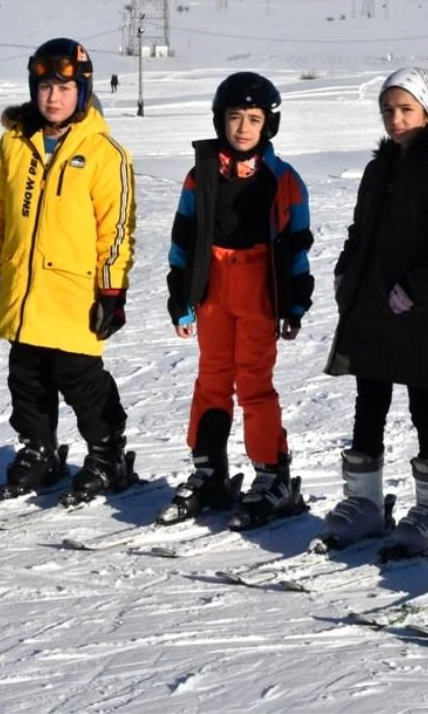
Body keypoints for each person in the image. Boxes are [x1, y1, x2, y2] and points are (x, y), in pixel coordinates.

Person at [0, 37, 137, 505]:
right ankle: (39, 449)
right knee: (25, 379)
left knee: (81, 380)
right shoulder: (15, 144)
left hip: (72, 295)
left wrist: (111, 291)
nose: (53, 97)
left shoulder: (104, 153)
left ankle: (107, 455)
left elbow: (116, 231)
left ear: (82, 91)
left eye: (64, 88)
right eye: (44, 87)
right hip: (23, 292)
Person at [322, 67, 428, 557]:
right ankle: (365, 503)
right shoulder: (379, 168)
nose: (396, 119)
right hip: (371, 304)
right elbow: (359, 229)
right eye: (388, 110)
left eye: (406, 109)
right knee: (368, 403)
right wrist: (347, 272)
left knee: (423, 407)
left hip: (418, 312)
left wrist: (414, 288)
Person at [160, 71, 313, 531]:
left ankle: (273, 475)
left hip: (260, 291)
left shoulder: (283, 180)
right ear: (219, 121)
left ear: (269, 124)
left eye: (253, 119)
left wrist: (295, 304)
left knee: (253, 382)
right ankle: (209, 472)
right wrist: (181, 298)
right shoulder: (201, 174)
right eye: (234, 118)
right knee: (211, 378)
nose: (243, 128)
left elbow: (297, 245)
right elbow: (183, 239)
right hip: (212, 290)